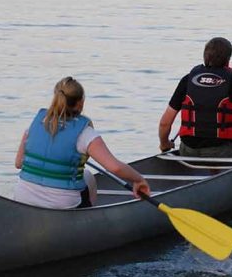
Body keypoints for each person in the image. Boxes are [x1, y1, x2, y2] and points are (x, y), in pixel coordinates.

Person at [14, 77, 150, 209]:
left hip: (23, 199)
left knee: (84, 176)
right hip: (63, 205)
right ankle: (87, 219)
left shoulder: (34, 124)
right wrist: (139, 180)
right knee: (88, 176)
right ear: (80, 103)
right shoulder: (85, 133)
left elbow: (19, 163)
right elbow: (115, 168)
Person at [158, 37, 232, 158]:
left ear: (205, 57)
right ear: (228, 59)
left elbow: (165, 123)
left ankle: (214, 172)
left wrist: (164, 144)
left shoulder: (188, 79)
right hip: (221, 151)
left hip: (188, 150)